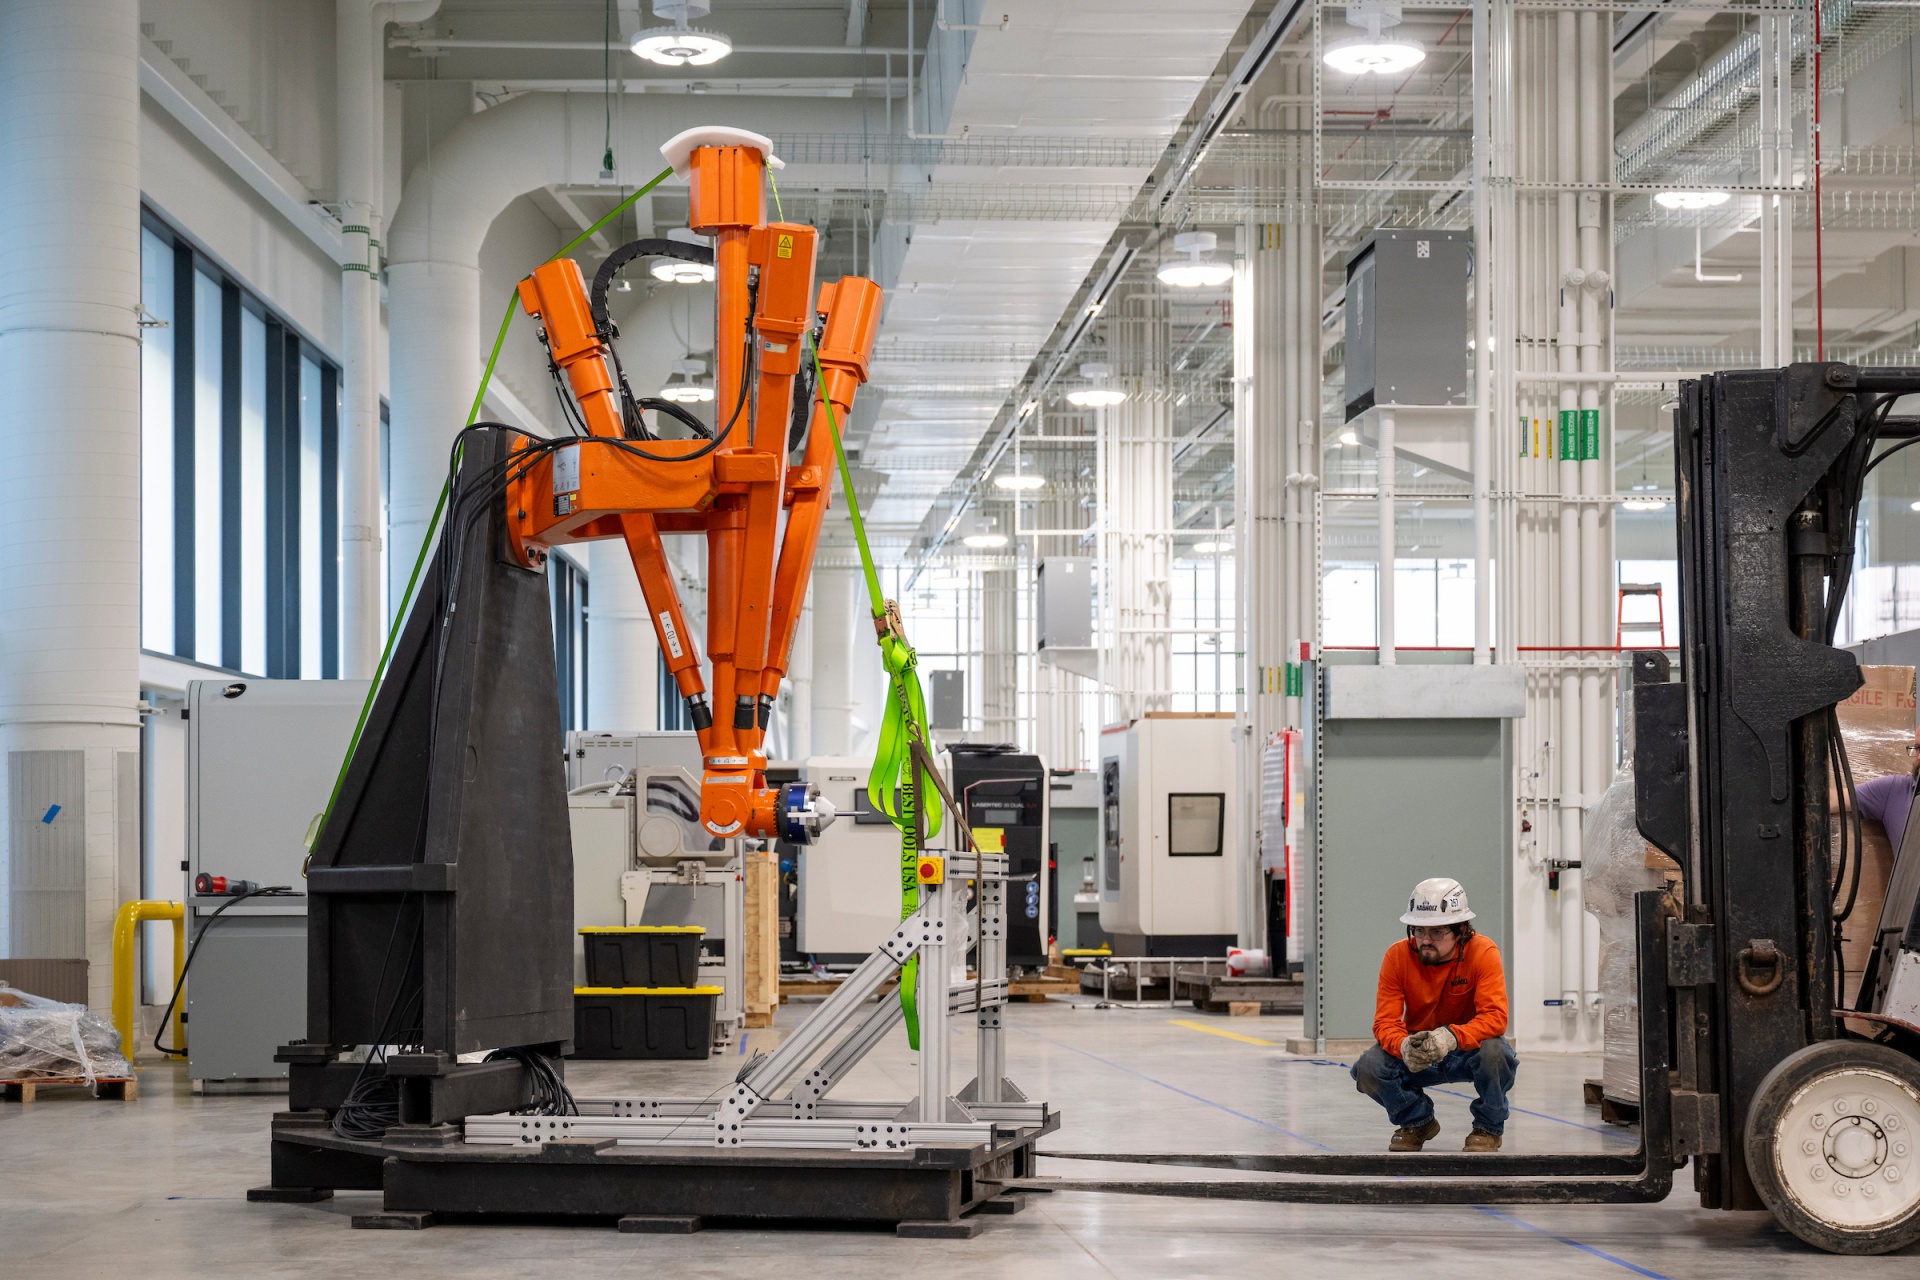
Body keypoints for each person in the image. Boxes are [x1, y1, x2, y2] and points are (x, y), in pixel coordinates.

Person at [1350, 877, 1516, 1152]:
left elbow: (1495, 1017)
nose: (1425, 940)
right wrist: (1403, 1045)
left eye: (1437, 932)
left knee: (1496, 1054)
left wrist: (1451, 1037)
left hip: (1466, 1050)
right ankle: (1417, 1121)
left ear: (1461, 929)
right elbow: (1385, 1022)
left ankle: (1488, 1129)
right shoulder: (1397, 956)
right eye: (1418, 930)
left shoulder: (1483, 952)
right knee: (1369, 1068)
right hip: (1419, 1052)